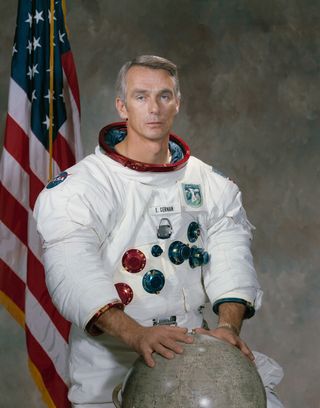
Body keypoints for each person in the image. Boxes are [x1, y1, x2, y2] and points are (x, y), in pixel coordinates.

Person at [34, 55, 283, 408]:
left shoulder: (212, 186)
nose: (154, 107)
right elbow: (73, 272)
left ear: (177, 103)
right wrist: (136, 334)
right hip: (111, 367)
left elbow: (231, 258)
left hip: (192, 355)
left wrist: (227, 327)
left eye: (164, 96)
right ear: (122, 105)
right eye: (140, 96)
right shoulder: (80, 189)